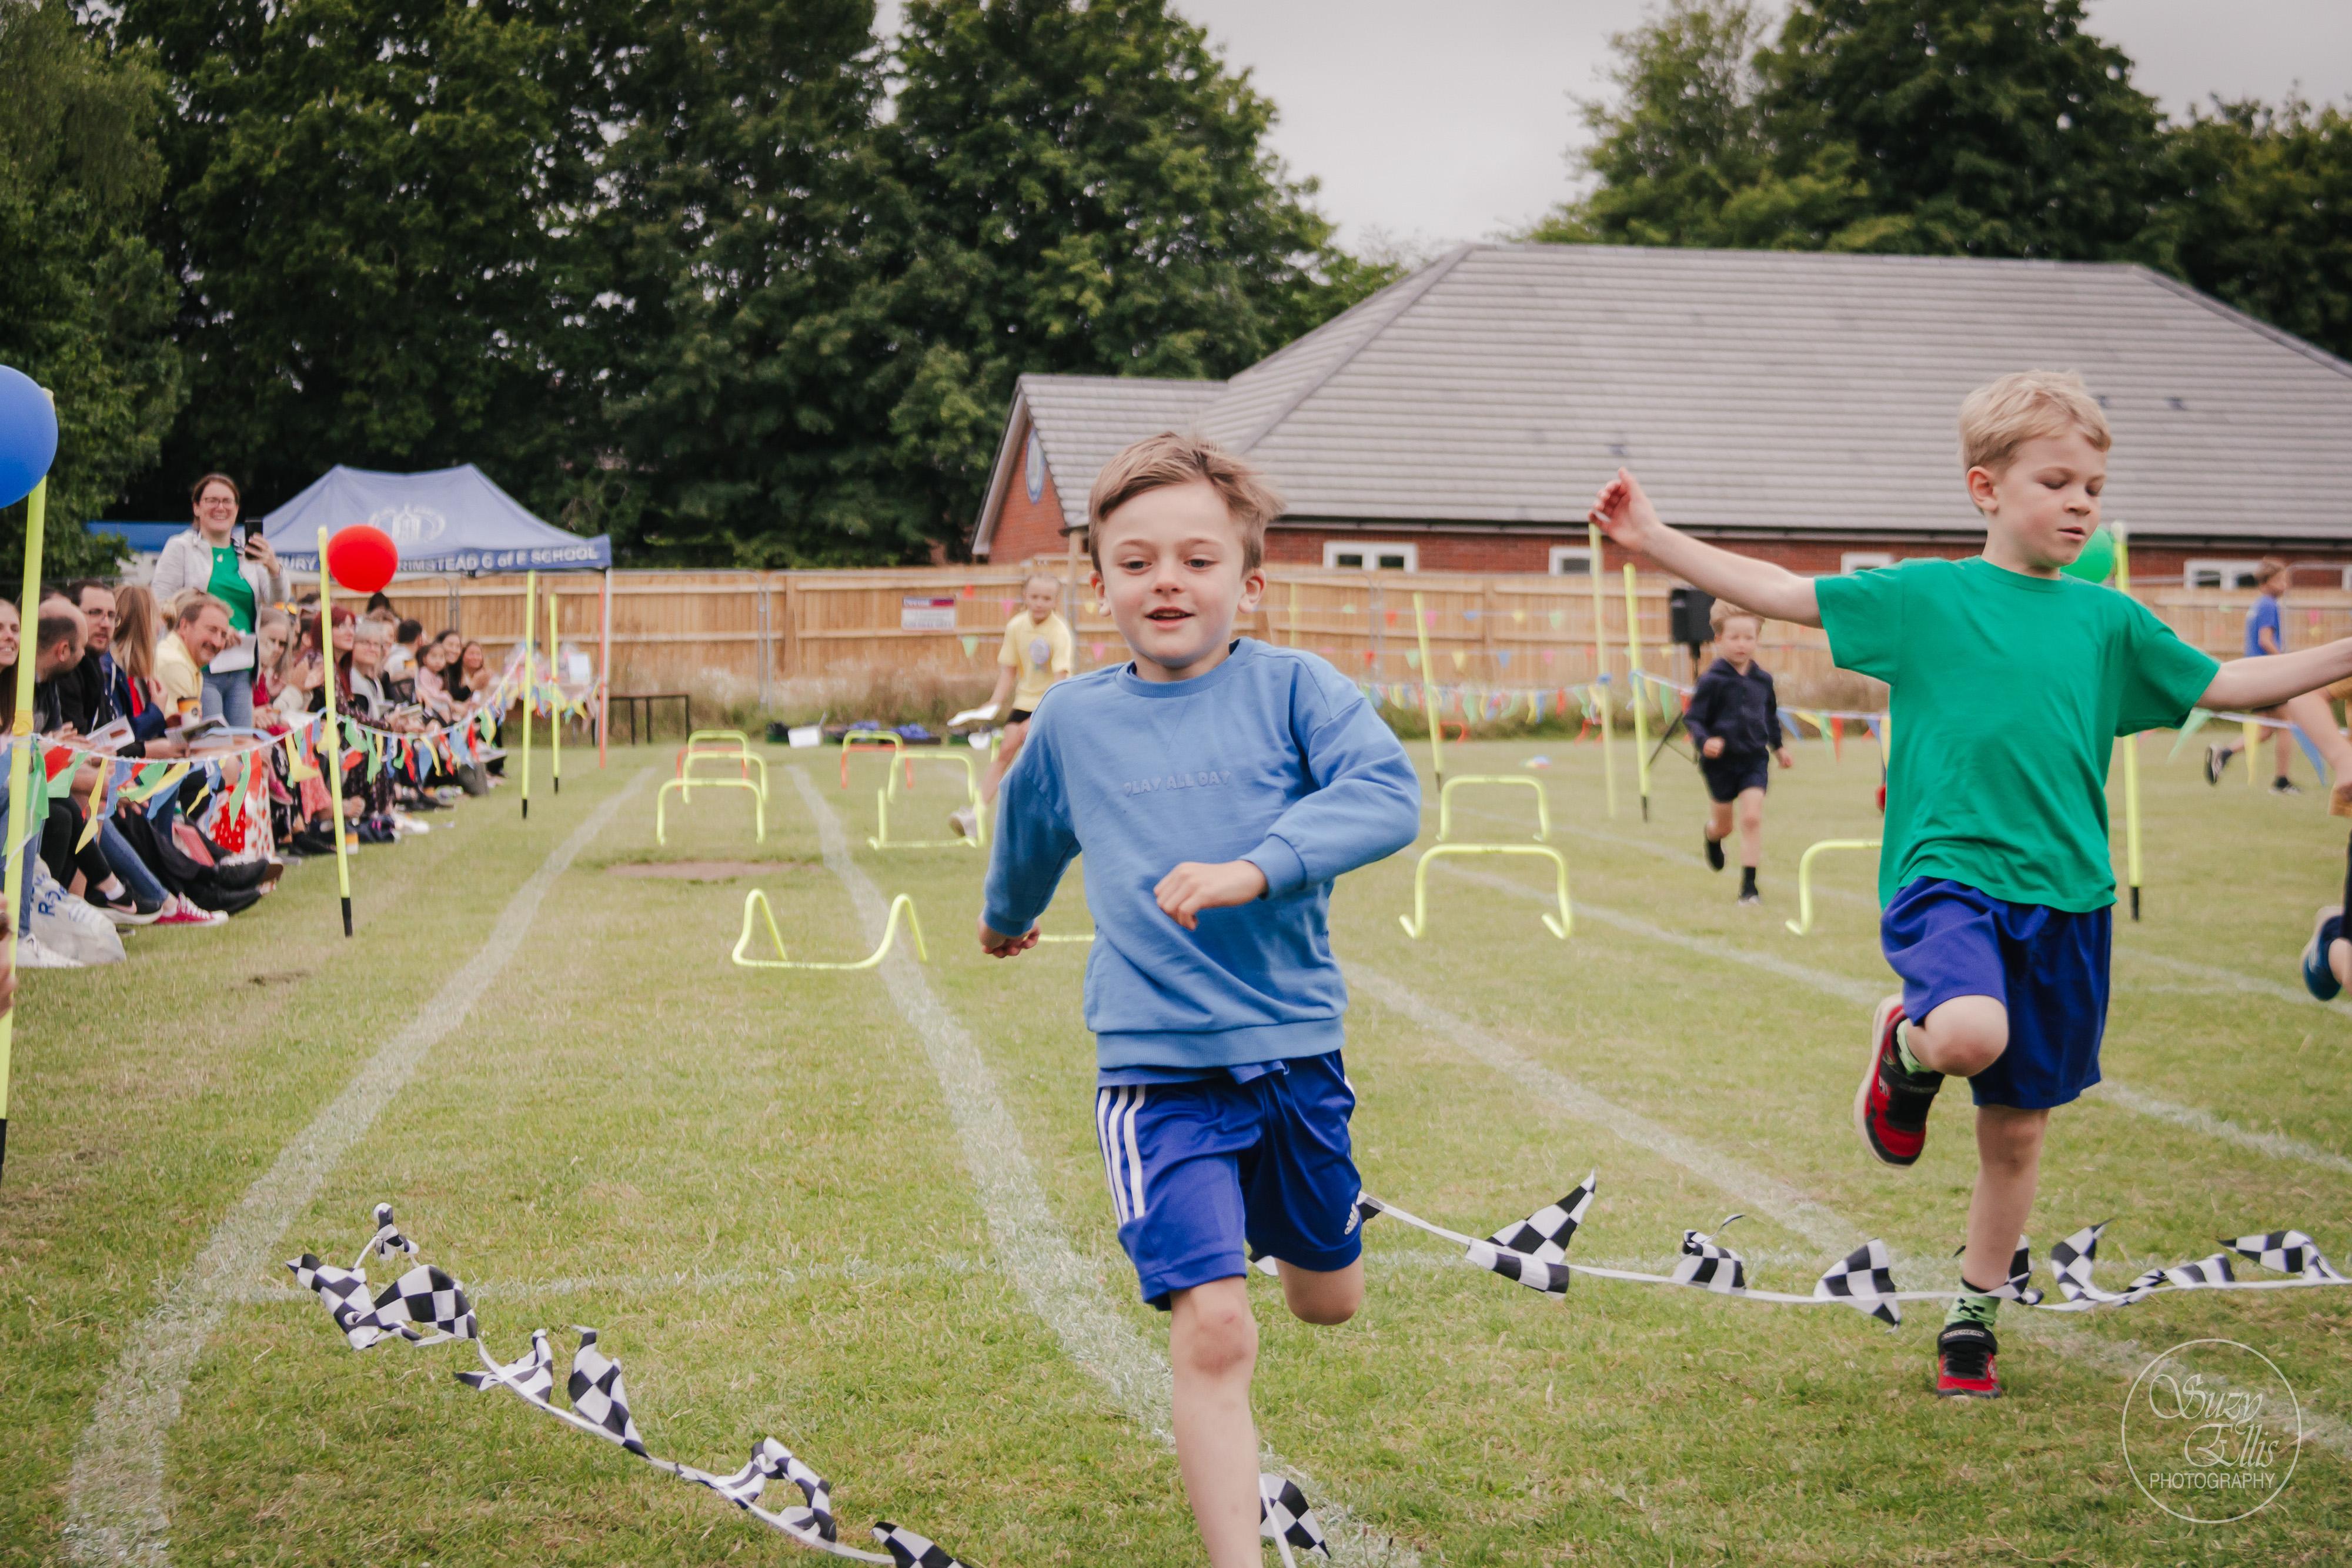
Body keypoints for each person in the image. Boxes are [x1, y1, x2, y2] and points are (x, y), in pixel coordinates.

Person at [1587, 369, 2352, 1401]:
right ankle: (1908, 1046)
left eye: (2094, 486)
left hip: (2070, 900)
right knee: (1967, 1033)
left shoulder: (2110, 622)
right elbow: (1778, 590)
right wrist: (1653, 536)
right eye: (2057, 482)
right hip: (1949, 877)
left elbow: (2231, 683)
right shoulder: (1927, 598)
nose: (2081, 504)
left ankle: (1973, 1315)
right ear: (1985, 488)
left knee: (2017, 1131)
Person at [977, 433, 1421, 1568]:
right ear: (1101, 589)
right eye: (1136, 563)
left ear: (1249, 584)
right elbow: (1030, 827)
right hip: (1156, 1069)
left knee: (1328, 1299)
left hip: (1294, 1051)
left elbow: (1387, 794)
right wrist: (1004, 911)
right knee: (1216, 1326)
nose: (1166, 581)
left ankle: (1275, 1215)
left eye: (1196, 559)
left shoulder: (1295, 689)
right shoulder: (1072, 719)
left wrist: (1255, 867)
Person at [148, 473, 287, 728]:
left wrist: (273, 567)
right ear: (196, 507)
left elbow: (279, 599)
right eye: (211, 500)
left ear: (237, 509)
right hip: (201, 665)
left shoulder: (247, 554)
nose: (220, 507)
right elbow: (161, 603)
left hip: (241, 667)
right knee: (213, 742)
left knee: (241, 743)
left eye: (227, 501)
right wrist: (219, 631)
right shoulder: (181, 548)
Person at [950, 571, 1074, 840]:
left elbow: (1061, 681)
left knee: (1040, 763)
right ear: (1025, 597)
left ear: (1055, 601)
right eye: (1035, 597)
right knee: (1005, 751)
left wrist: (1038, 717)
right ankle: (975, 815)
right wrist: (994, 702)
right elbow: (1009, 671)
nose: (1040, 603)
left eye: (1047, 598)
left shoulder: (1059, 631)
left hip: (1052, 703)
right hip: (1024, 701)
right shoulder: (1017, 626)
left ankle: (1052, 822)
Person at [1685, 600, 1793, 906]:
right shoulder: (1712, 680)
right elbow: (1693, 719)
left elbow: (1769, 717)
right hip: (1719, 764)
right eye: (1734, 638)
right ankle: (1712, 837)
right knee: (1726, 826)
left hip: (1753, 760)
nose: (1742, 644)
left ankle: (1749, 888)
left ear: (1757, 639)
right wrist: (1705, 740)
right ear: (1719, 639)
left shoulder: (1763, 680)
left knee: (1752, 818)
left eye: (1749, 638)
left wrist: (1779, 748)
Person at [2205, 557, 2298, 794]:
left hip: (2257, 673)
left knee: (2266, 730)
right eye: (2280, 580)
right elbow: (2265, 640)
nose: (2285, 585)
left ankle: (2224, 753)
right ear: (2266, 582)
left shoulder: (2258, 604)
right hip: (2268, 674)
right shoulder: (2269, 605)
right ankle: (2282, 782)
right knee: (2287, 725)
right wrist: (2286, 662)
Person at [157, 594, 235, 723]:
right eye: (212, 630)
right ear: (184, 626)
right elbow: (182, 731)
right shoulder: (176, 665)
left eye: (223, 635)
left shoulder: (186, 661)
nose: (217, 643)